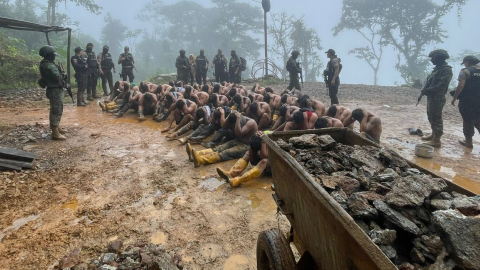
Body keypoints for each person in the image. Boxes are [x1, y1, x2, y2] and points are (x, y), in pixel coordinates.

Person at [190, 111, 258, 167]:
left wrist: (238, 118)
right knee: (219, 148)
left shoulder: (250, 122)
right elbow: (224, 127)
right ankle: (196, 154)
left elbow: (238, 133)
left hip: (246, 146)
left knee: (226, 153)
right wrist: (229, 116)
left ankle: (201, 160)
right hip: (236, 141)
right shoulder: (235, 119)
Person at [420, 49, 453, 147]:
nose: (431, 60)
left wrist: (428, 90)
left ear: (438, 58)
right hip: (432, 97)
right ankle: (433, 134)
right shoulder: (438, 68)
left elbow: (442, 85)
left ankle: (437, 140)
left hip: (437, 97)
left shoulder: (446, 69)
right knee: (431, 116)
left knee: (436, 118)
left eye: (432, 58)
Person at [451, 55, 480, 148]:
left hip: (467, 100)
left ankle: (468, 142)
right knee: (478, 120)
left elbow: (460, 86)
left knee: (467, 119)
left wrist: (454, 98)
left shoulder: (465, 71)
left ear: (467, 62)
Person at [38, 46, 66, 140]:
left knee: (58, 108)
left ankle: (56, 126)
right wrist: (63, 75)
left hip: (55, 89)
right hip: (54, 89)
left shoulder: (48, 64)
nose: (54, 57)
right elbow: (57, 76)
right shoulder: (48, 65)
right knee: (56, 110)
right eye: (52, 55)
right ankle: (55, 132)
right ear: (49, 55)